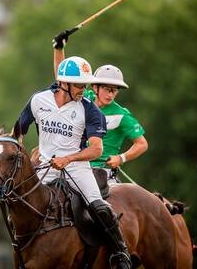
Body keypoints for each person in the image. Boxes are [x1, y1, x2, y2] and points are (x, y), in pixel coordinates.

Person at [17, 52, 131, 268]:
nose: (83, 89)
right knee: (19, 200)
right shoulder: (39, 100)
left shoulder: (90, 109)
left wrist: (68, 159)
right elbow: (18, 132)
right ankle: (22, 248)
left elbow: (96, 150)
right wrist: (26, 154)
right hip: (45, 166)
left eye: (85, 84)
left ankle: (120, 252)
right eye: (79, 84)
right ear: (63, 83)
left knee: (99, 206)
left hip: (77, 167)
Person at [53, 30, 148, 184]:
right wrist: (59, 49)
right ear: (95, 88)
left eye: (114, 90)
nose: (110, 94)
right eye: (106, 89)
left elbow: (142, 143)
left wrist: (120, 158)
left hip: (103, 173)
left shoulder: (122, 115)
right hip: (74, 167)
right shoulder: (84, 99)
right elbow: (63, 80)